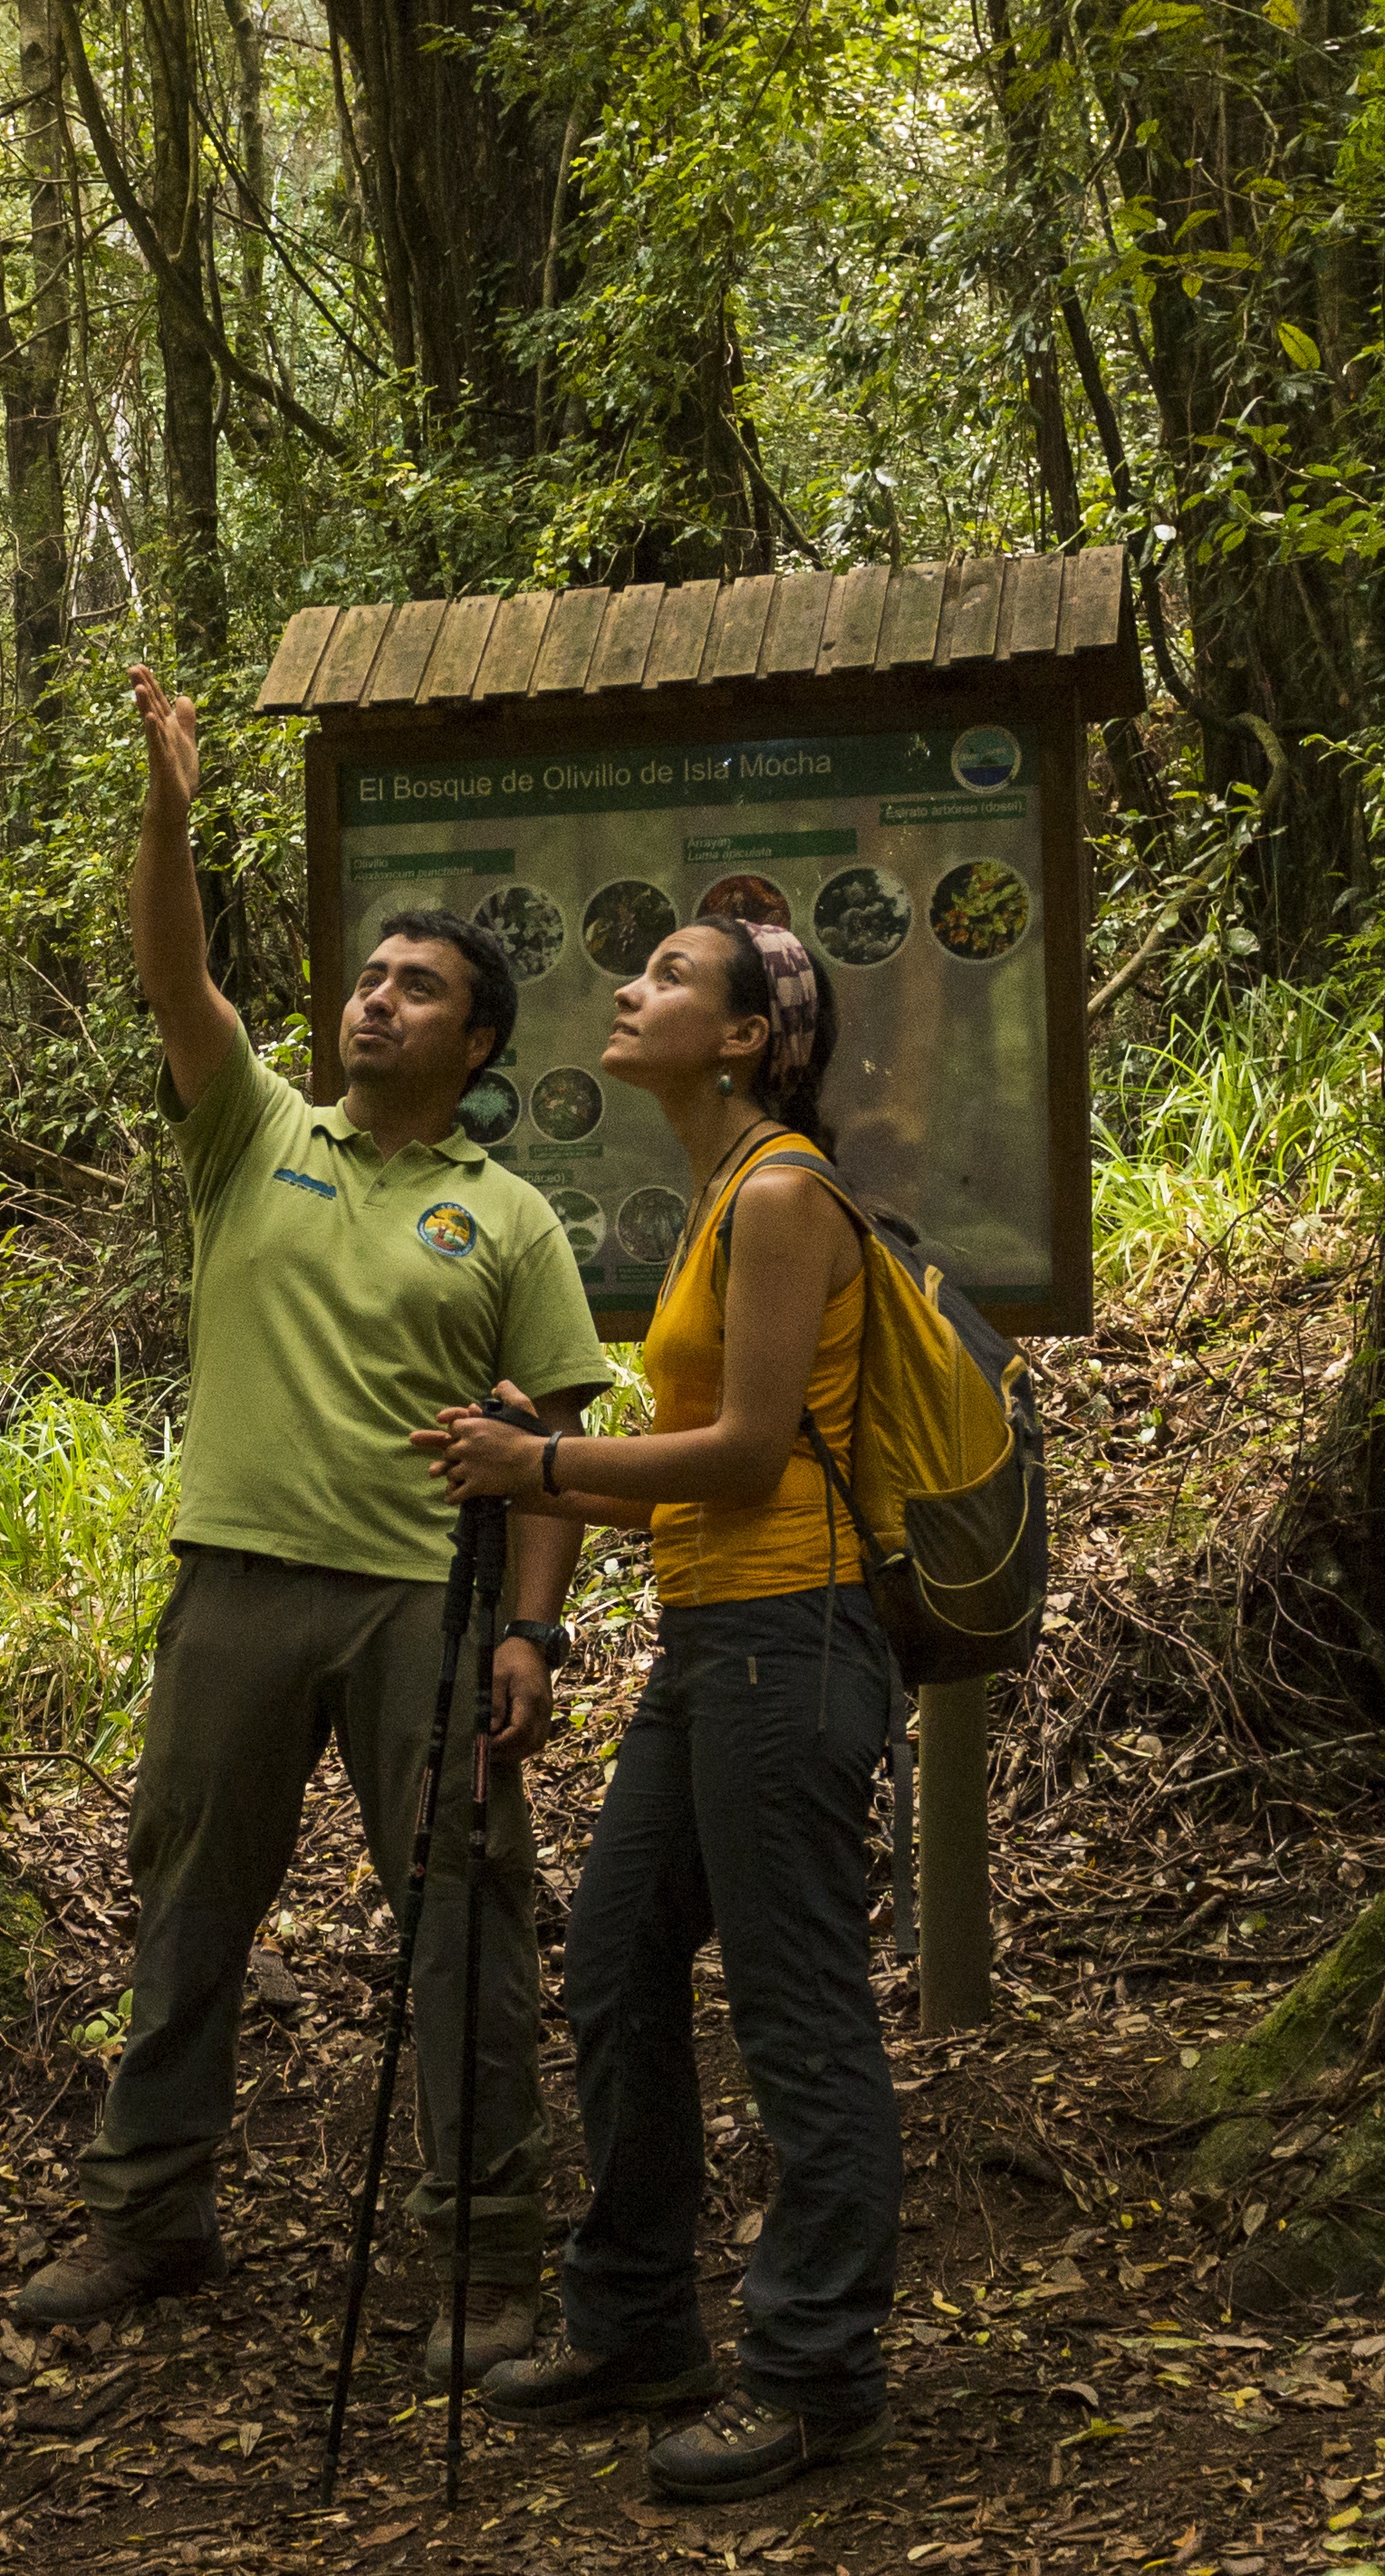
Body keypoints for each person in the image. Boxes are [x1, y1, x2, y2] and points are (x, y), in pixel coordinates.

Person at [14, 669, 622, 2381]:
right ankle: (151, 2213)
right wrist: (168, 807)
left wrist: (527, 1629)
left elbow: (552, 1449)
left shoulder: (508, 1220)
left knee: (464, 1921)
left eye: (417, 987)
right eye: (369, 977)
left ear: (478, 1039)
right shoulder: (255, 1130)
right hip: (234, 1593)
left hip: (419, 1614)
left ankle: (485, 2257)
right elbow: (170, 972)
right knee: (187, 1901)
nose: (376, 1000)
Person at [411, 914, 902, 2505]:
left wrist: (541, 1464)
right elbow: (692, 1483)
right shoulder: (717, 1200)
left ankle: (817, 2370)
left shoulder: (776, 1195)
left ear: (748, 1036)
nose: (632, 991)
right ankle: (634, 2319)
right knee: (618, 1950)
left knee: (796, 2007)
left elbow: (753, 1457)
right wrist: (529, 1447)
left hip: (791, 1642)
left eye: (673, 978)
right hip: (717, 1650)